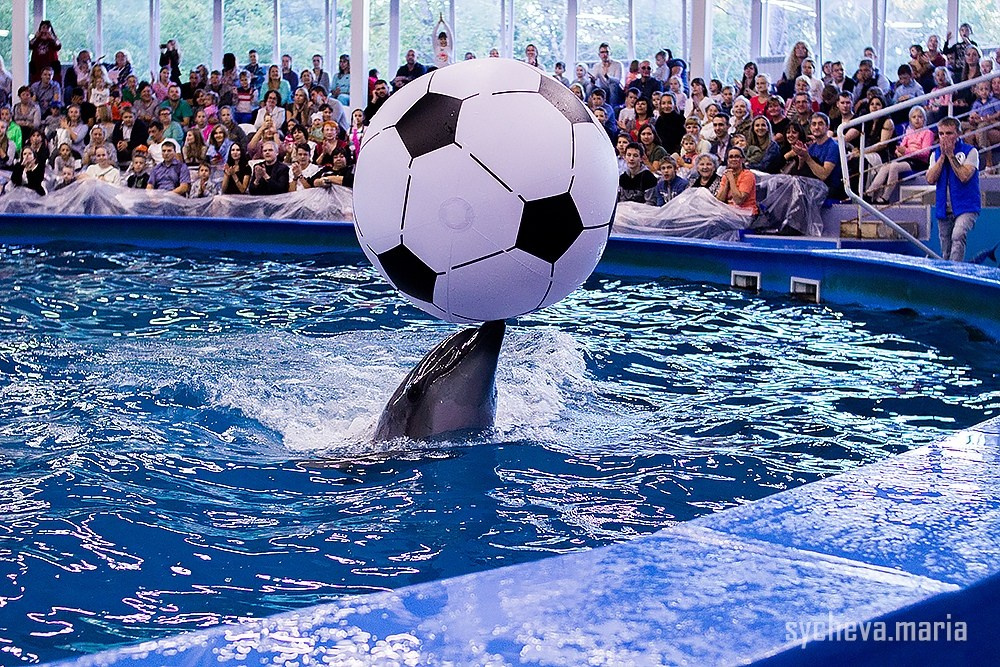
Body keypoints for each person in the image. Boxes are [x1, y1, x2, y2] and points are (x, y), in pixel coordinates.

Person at [926, 117, 980, 262]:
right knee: (946, 249)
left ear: (958, 134)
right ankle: (948, 274)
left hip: (967, 205)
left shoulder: (971, 151)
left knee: (958, 235)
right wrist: (943, 157)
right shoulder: (935, 154)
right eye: (941, 134)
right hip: (944, 206)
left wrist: (951, 155)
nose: (944, 137)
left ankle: (956, 270)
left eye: (949, 133)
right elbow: (930, 178)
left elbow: (964, 176)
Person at [866, 106, 934, 204]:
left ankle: (885, 197)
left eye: (920, 117)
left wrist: (905, 151)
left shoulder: (928, 133)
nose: (917, 119)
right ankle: (869, 193)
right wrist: (898, 152)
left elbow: (925, 153)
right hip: (906, 159)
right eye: (914, 117)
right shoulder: (908, 132)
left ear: (924, 119)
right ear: (910, 119)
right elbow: (901, 147)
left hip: (919, 162)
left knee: (894, 166)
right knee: (885, 167)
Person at [792, 112, 844, 200]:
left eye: (820, 124)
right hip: (812, 188)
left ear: (827, 127)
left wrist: (807, 157)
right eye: (814, 124)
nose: (816, 127)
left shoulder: (833, 146)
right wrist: (801, 157)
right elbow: (802, 171)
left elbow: (823, 175)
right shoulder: (812, 147)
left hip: (828, 189)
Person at [717, 146, 758, 214]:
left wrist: (731, 179)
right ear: (727, 160)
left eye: (737, 156)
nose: (733, 159)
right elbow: (719, 201)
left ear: (743, 160)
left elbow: (738, 201)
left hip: (746, 213)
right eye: (731, 157)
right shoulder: (726, 175)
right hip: (730, 212)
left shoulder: (748, 175)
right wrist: (727, 182)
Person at [28, 20, 61, 84]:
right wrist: (36, 37)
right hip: (37, 65)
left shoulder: (53, 38)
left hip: (51, 64)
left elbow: (58, 46)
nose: (45, 30)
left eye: (47, 28)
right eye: (43, 28)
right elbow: (30, 45)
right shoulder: (37, 39)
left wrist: (51, 38)